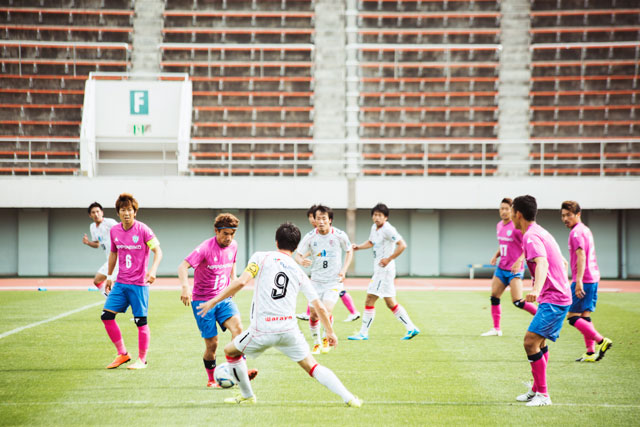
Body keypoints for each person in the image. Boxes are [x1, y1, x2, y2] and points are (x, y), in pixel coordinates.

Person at [196, 222, 362, 407]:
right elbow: (320, 307)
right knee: (313, 366)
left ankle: (247, 395)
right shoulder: (299, 271)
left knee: (229, 351)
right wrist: (330, 332)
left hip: (262, 330)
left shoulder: (261, 257)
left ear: (276, 242)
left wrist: (212, 301)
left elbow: (242, 282)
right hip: (289, 330)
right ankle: (350, 398)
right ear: (296, 246)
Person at [177, 213, 258, 387]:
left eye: (232, 234)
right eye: (225, 234)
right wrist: (185, 287)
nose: (229, 238)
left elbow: (233, 261)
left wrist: (233, 279)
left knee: (238, 328)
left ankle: (239, 370)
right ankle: (212, 379)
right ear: (216, 231)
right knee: (212, 345)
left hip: (223, 298)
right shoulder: (205, 248)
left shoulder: (233, 245)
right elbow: (183, 266)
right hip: (203, 302)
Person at [512, 195, 571, 407]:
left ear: (518, 214)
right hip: (556, 297)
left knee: (529, 342)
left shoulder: (530, 236)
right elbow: (563, 262)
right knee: (539, 342)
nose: (510, 216)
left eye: (511, 211)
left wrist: (537, 289)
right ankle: (537, 389)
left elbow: (543, 262)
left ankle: (543, 395)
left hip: (554, 299)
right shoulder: (541, 232)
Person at [101, 193, 163, 370]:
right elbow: (113, 253)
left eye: (129, 210)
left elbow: (158, 251)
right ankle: (122, 354)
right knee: (106, 316)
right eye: (123, 210)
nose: (126, 213)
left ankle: (142, 360)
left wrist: (153, 270)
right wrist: (109, 276)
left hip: (138, 284)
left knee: (140, 321)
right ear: (118, 213)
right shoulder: (114, 231)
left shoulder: (143, 229)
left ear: (135, 212)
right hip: (121, 283)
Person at [348, 203, 419, 341]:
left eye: (380, 215)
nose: (376, 218)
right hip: (381, 269)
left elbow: (402, 245)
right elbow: (371, 242)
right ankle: (411, 328)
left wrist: (389, 259)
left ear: (385, 217)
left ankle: (363, 333)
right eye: (375, 215)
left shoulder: (388, 229)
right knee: (390, 302)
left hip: (384, 270)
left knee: (369, 299)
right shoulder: (374, 228)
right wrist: (358, 247)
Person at [295, 205, 354, 354]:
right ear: (314, 220)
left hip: (333, 282)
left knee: (326, 311)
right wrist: (301, 261)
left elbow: (349, 250)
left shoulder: (339, 235)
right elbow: (298, 255)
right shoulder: (310, 236)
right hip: (315, 282)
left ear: (330, 220)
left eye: (323, 218)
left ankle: (326, 339)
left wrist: (344, 270)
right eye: (318, 218)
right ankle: (316, 342)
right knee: (314, 315)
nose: (321, 221)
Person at [560, 201, 612, 362]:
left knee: (572, 317)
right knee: (585, 315)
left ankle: (601, 340)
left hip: (585, 279)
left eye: (569, 215)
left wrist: (579, 281)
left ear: (578, 214)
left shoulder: (576, 233)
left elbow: (581, 256)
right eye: (563, 215)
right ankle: (590, 353)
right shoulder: (585, 230)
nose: (565, 219)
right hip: (593, 277)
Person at [481, 198, 537, 337]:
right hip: (501, 269)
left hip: (514, 270)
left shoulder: (517, 227)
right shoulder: (499, 225)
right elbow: (503, 244)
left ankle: (543, 317)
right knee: (494, 297)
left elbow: (527, 246)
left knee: (518, 302)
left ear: (512, 211)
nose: (504, 211)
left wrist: (519, 261)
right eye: (502, 208)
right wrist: (496, 255)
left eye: (507, 209)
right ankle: (496, 328)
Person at [82, 202, 119, 296]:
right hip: (109, 258)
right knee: (102, 281)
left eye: (98, 211)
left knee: (99, 280)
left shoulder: (109, 222)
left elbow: (122, 231)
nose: (96, 214)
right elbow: (97, 244)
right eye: (93, 212)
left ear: (102, 212)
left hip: (118, 257)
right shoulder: (93, 227)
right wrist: (88, 243)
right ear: (90, 215)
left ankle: (112, 301)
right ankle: (113, 300)